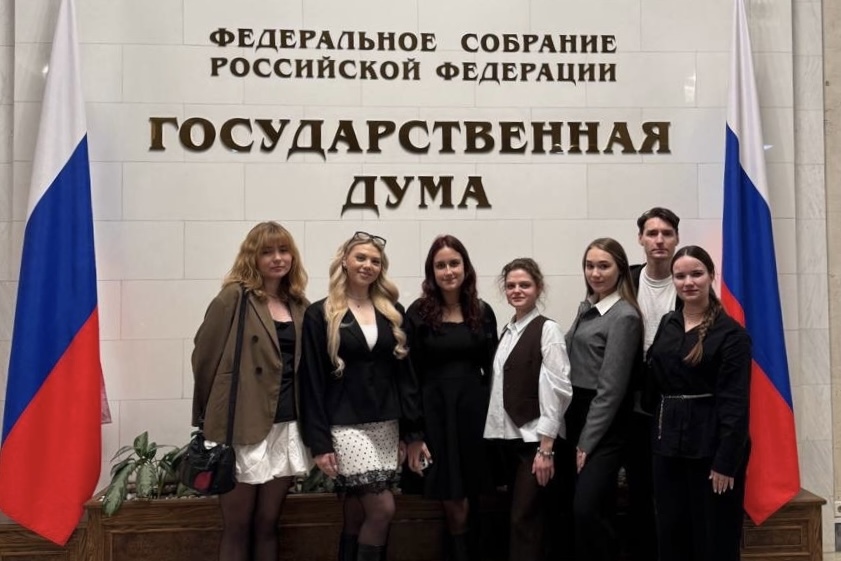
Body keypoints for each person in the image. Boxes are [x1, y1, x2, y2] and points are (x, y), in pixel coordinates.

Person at [298, 231, 424, 561]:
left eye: (375, 261)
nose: (368, 265)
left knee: (357, 510)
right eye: (361, 258)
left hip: (386, 424)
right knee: (382, 509)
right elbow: (311, 381)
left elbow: (405, 377)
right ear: (345, 261)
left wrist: (411, 431)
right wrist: (319, 443)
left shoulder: (393, 312)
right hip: (345, 425)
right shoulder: (320, 313)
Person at [191, 221, 312, 561]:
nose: (277, 258)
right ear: (252, 257)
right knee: (237, 526)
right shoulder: (234, 297)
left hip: (286, 423)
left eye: (284, 250)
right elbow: (204, 357)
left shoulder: (298, 303)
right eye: (267, 252)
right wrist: (207, 417)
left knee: (268, 523)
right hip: (242, 425)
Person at [645, 246, 751, 561]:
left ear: (711, 276)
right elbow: (653, 379)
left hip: (711, 448)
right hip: (667, 445)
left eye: (696, 274)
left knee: (712, 534)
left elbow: (736, 403)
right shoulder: (668, 323)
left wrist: (726, 461)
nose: (688, 282)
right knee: (671, 531)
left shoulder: (731, 334)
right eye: (680, 276)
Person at [404, 235, 498, 561]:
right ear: (431, 272)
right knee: (452, 496)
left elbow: (494, 368)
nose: (448, 271)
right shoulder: (417, 313)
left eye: (454, 263)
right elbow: (409, 375)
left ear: (465, 267)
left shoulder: (482, 311)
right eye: (440, 265)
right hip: (436, 417)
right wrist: (414, 434)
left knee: (476, 495)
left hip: (475, 416)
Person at [483, 257, 573, 561]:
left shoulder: (548, 330)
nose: (517, 290)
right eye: (511, 285)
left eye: (524, 285)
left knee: (525, 520)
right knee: (516, 519)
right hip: (506, 441)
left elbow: (559, 390)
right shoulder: (508, 331)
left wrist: (546, 449)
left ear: (538, 288)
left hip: (534, 442)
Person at [564, 238, 642, 561]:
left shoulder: (624, 316)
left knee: (587, 509)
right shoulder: (587, 308)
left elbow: (611, 389)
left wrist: (586, 441)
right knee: (590, 508)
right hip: (575, 415)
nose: (595, 273)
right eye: (590, 266)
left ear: (620, 270)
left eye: (604, 266)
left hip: (603, 423)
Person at [625, 207, 682, 561]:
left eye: (666, 233)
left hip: (674, 399)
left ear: (676, 239)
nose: (659, 240)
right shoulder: (625, 280)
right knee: (639, 488)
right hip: (632, 401)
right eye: (652, 233)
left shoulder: (688, 279)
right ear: (640, 239)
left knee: (671, 489)